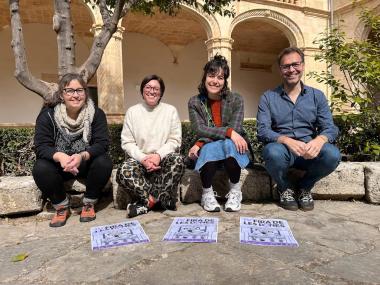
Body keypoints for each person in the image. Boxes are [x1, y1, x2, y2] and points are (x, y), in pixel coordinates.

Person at [257, 47, 341, 211]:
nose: (291, 70)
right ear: (280, 69)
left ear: (302, 65)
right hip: (283, 150)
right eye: (286, 66)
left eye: (295, 64)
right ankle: (284, 187)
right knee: (272, 152)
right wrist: (285, 140)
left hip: (309, 150)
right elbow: (262, 130)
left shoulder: (317, 96)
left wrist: (320, 139)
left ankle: (305, 186)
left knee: (332, 154)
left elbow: (330, 128)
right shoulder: (268, 97)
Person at [33, 73, 113, 227]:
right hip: (60, 166)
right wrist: (60, 156)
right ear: (62, 95)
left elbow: (102, 144)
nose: (75, 95)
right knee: (40, 167)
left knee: (104, 161)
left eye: (79, 90)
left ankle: (89, 203)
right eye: (69, 90)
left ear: (85, 92)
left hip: (84, 163)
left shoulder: (96, 114)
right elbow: (41, 146)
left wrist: (82, 156)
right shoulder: (47, 116)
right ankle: (61, 206)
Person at [188, 55, 250, 212]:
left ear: (225, 81)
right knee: (212, 147)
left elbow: (235, 128)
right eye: (211, 76)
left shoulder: (236, 99)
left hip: (231, 148)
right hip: (211, 148)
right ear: (204, 77)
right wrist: (228, 132)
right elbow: (199, 128)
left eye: (220, 77)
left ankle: (235, 192)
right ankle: (207, 193)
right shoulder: (195, 102)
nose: (215, 81)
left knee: (229, 143)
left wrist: (200, 142)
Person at [117, 74, 184, 218]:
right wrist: (143, 159)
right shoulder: (132, 112)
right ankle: (162, 199)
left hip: (163, 158)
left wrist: (158, 155)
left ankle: (148, 202)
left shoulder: (170, 110)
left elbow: (175, 140)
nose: (152, 91)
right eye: (148, 87)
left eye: (156, 89)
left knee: (178, 161)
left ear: (161, 93)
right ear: (142, 91)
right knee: (123, 170)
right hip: (140, 159)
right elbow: (127, 142)